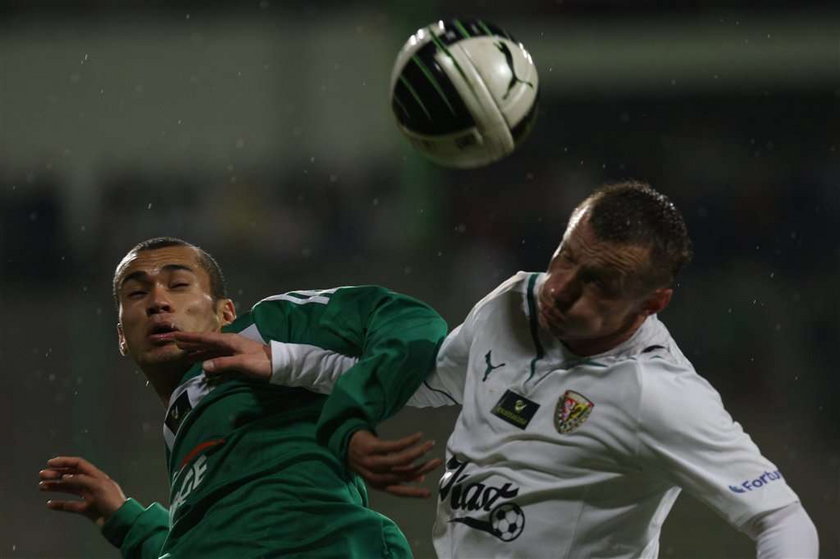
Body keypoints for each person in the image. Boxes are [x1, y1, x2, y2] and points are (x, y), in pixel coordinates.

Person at [186, 182, 819, 558]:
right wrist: (285, 361)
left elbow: (783, 520)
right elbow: (434, 380)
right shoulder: (514, 300)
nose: (563, 289)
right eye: (567, 256)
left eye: (599, 283)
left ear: (652, 303)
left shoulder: (659, 395)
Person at [39, 237, 447, 558]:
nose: (158, 302)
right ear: (121, 336)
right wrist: (126, 520)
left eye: (179, 285)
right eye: (135, 294)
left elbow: (409, 321)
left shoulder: (266, 327)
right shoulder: (182, 425)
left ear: (226, 313)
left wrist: (352, 410)